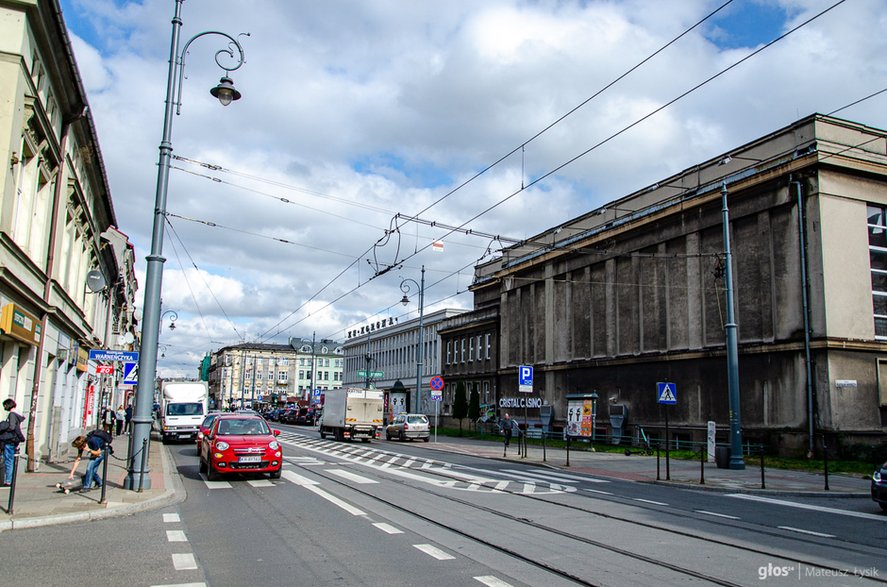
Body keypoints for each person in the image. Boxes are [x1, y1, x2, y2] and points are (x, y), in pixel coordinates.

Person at [0, 398, 26, 487]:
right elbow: (17, 428)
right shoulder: (16, 415)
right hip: (13, 441)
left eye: (5, 405)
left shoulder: (12, 415)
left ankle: (8, 480)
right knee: (9, 460)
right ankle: (8, 479)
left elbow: (12, 427)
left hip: (9, 440)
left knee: (8, 461)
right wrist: (21, 438)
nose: (4, 407)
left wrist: (4, 428)